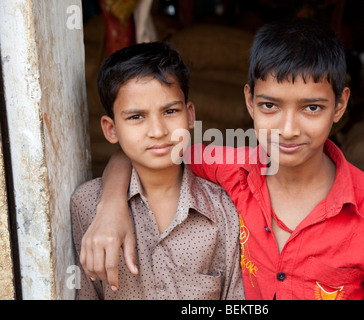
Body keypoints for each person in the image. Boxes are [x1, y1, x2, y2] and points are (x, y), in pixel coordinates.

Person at [81, 18, 364, 300]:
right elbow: (149, 147)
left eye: (312, 107)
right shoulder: (233, 168)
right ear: (249, 101)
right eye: (270, 106)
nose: (288, 129)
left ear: (339, 105)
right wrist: (110, 207)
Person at [70, 41, 245, 300]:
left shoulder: (225, 209)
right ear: (110, 129)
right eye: (136, 117)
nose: (158, 131)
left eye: (170, 111)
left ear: (189, 115)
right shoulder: (86, 205)